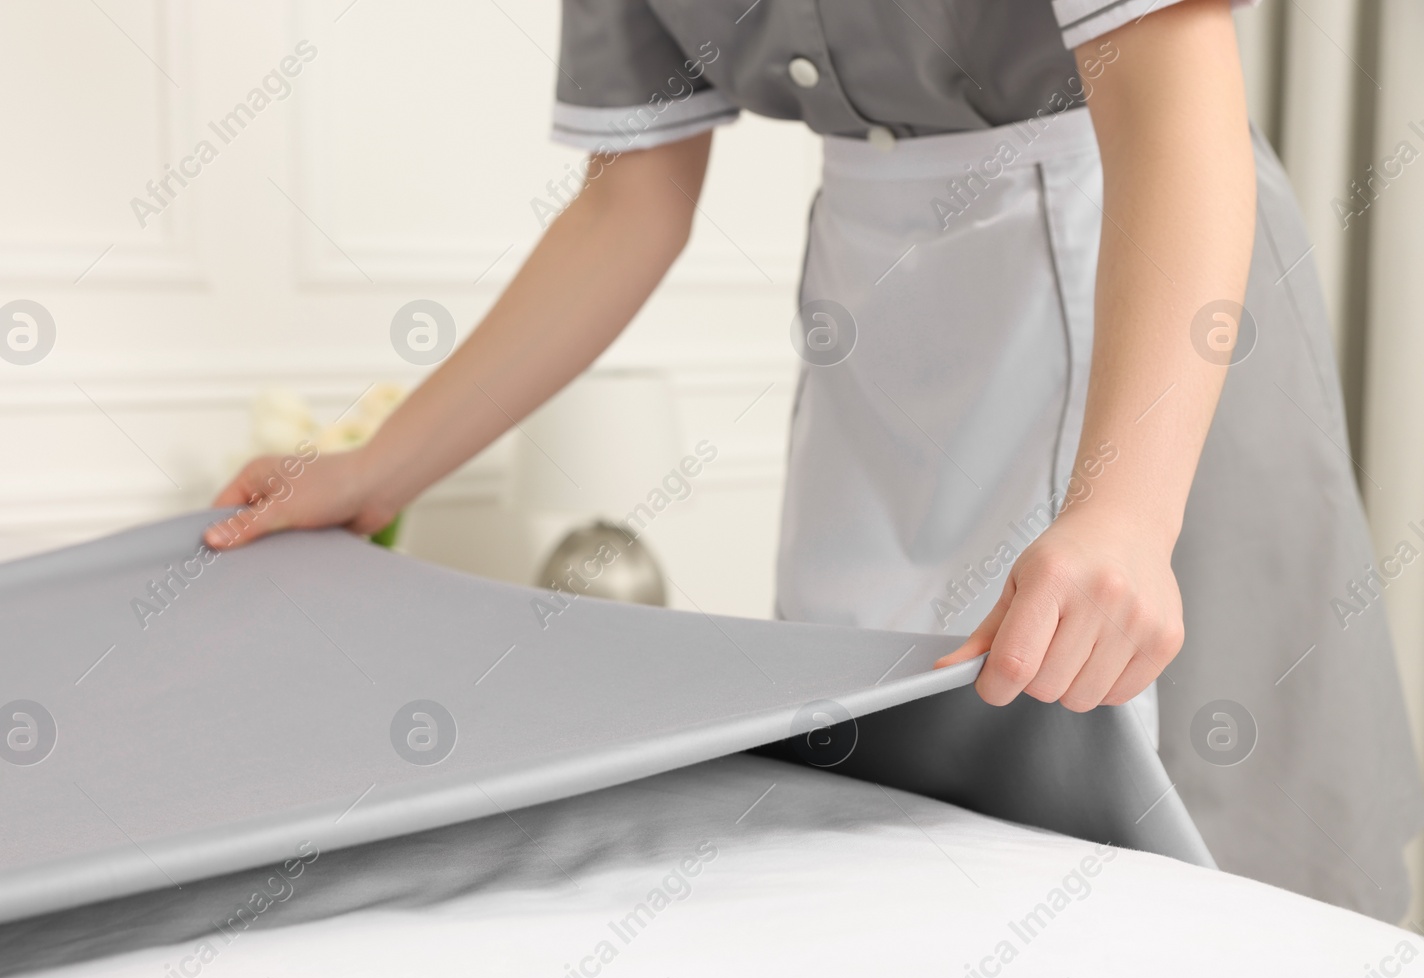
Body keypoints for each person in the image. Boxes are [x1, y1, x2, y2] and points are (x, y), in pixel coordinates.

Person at [207, 0, 1422, 919]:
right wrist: (379, 469)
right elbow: (631, 198)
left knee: (1202, 853)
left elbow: (1173, 103)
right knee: (885, 825)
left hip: (1150, 287)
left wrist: (1121, 515)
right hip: (883, 320)